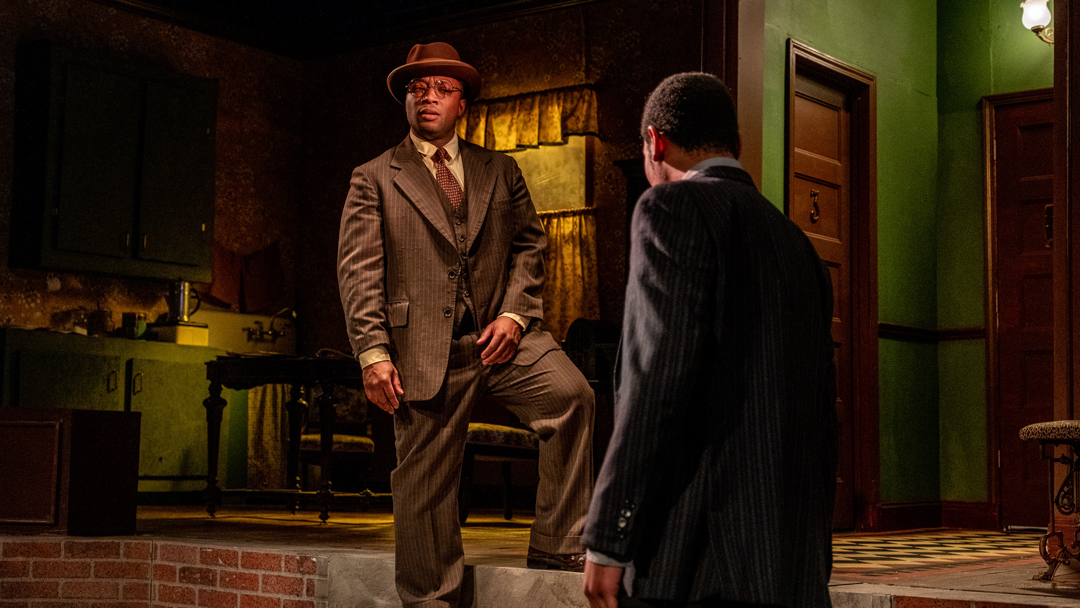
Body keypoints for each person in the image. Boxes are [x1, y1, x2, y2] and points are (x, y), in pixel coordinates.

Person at [337, 42, 595, 608]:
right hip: (423, 347)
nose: (427, 96)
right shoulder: (374, 178)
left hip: (501, 340)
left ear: (463, 104)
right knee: (425, 489)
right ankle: (432, 600)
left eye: (441, 88)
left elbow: (530, 244)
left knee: (572, 396)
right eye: (416, 88)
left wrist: (514, 313)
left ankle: (558, 545)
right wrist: (373, 354)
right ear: (406, 100)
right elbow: (359, 272)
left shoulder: (500, 170)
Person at [582, 72, 838, 608]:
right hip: (792, 566)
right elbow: (821, 415)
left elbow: (655, 383)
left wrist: (608, 539)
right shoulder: (799, 246)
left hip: (699, 563)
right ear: (736, 146)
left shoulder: (671, 209)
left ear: (655, 142)